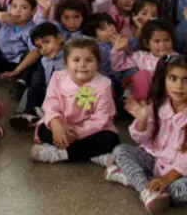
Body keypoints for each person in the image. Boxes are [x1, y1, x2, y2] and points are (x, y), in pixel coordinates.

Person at [107, 55, 187, 214]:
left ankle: (132, 179)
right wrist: (142, 120)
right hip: (155, 159)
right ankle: (147, 191)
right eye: (173, 78)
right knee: (120, 150)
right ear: (164, 80)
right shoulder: (159, 104)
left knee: (182, 189)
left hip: (180, 173)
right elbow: (142, 139)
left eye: (186, 80)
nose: (179, 86)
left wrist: (166, 179)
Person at [31, 37, 119, 165]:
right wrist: (56, 125)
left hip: (90, 131)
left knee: (111, 140)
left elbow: (102, 118)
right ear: (66, 64)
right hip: (62, 127)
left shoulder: (104, 85)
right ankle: (94, 155)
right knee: (43, 129)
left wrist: (77, 133)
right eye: (76, 60)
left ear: (98, 63)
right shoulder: (57, 78)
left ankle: (60, 154)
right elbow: (50, 104)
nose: (82, 65)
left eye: (89, 60)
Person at [113, 19, 176, 102]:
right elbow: (119, 66)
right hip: (145, 98)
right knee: (141, 75)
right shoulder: (140, 56)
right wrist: (117, 50)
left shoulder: (177, 59)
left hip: (168, 97)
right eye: (157, 41)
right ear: (147, 43)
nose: (162, 45)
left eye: (166, 40)